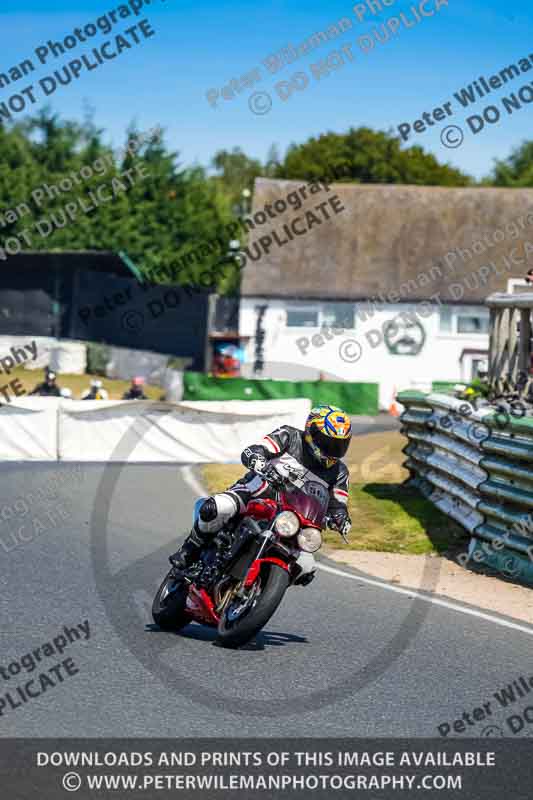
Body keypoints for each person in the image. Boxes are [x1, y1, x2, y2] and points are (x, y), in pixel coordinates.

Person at [170, 404, 352, 578]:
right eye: (328, 442)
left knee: (306, 566)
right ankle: (189, 549)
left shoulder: (340, 472)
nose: (333, 449)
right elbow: (254, 451)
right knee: (217, 508)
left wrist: (341, 519)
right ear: (311, 433)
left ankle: (263, 583)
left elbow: (338, 505)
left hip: (296, 520)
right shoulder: (289, 436)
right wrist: (259, 462)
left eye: (339, 445)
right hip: (256, 493)